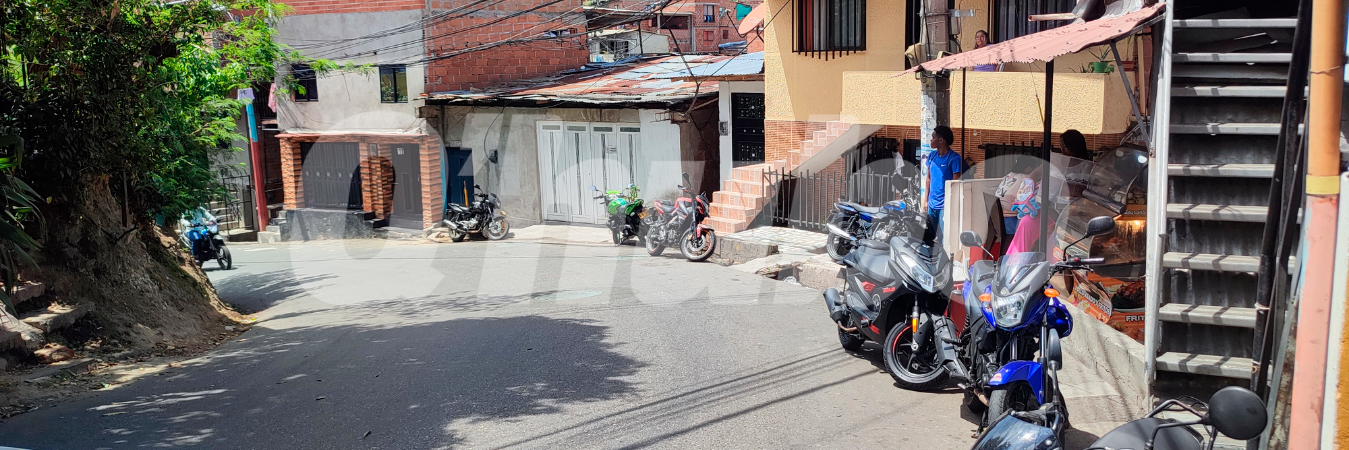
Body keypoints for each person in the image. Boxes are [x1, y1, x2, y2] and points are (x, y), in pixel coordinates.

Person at [922, 125, 962, 237]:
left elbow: (955, 184)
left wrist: (952, 205)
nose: (931, 140)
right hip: (932, 205)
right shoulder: (932, 156)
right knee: (930, 235)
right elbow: (928, 179)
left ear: (941, 140)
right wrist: (925, 200)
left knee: (945, 237)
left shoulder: (954, 159)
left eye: (933, 137)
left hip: (945, 206)